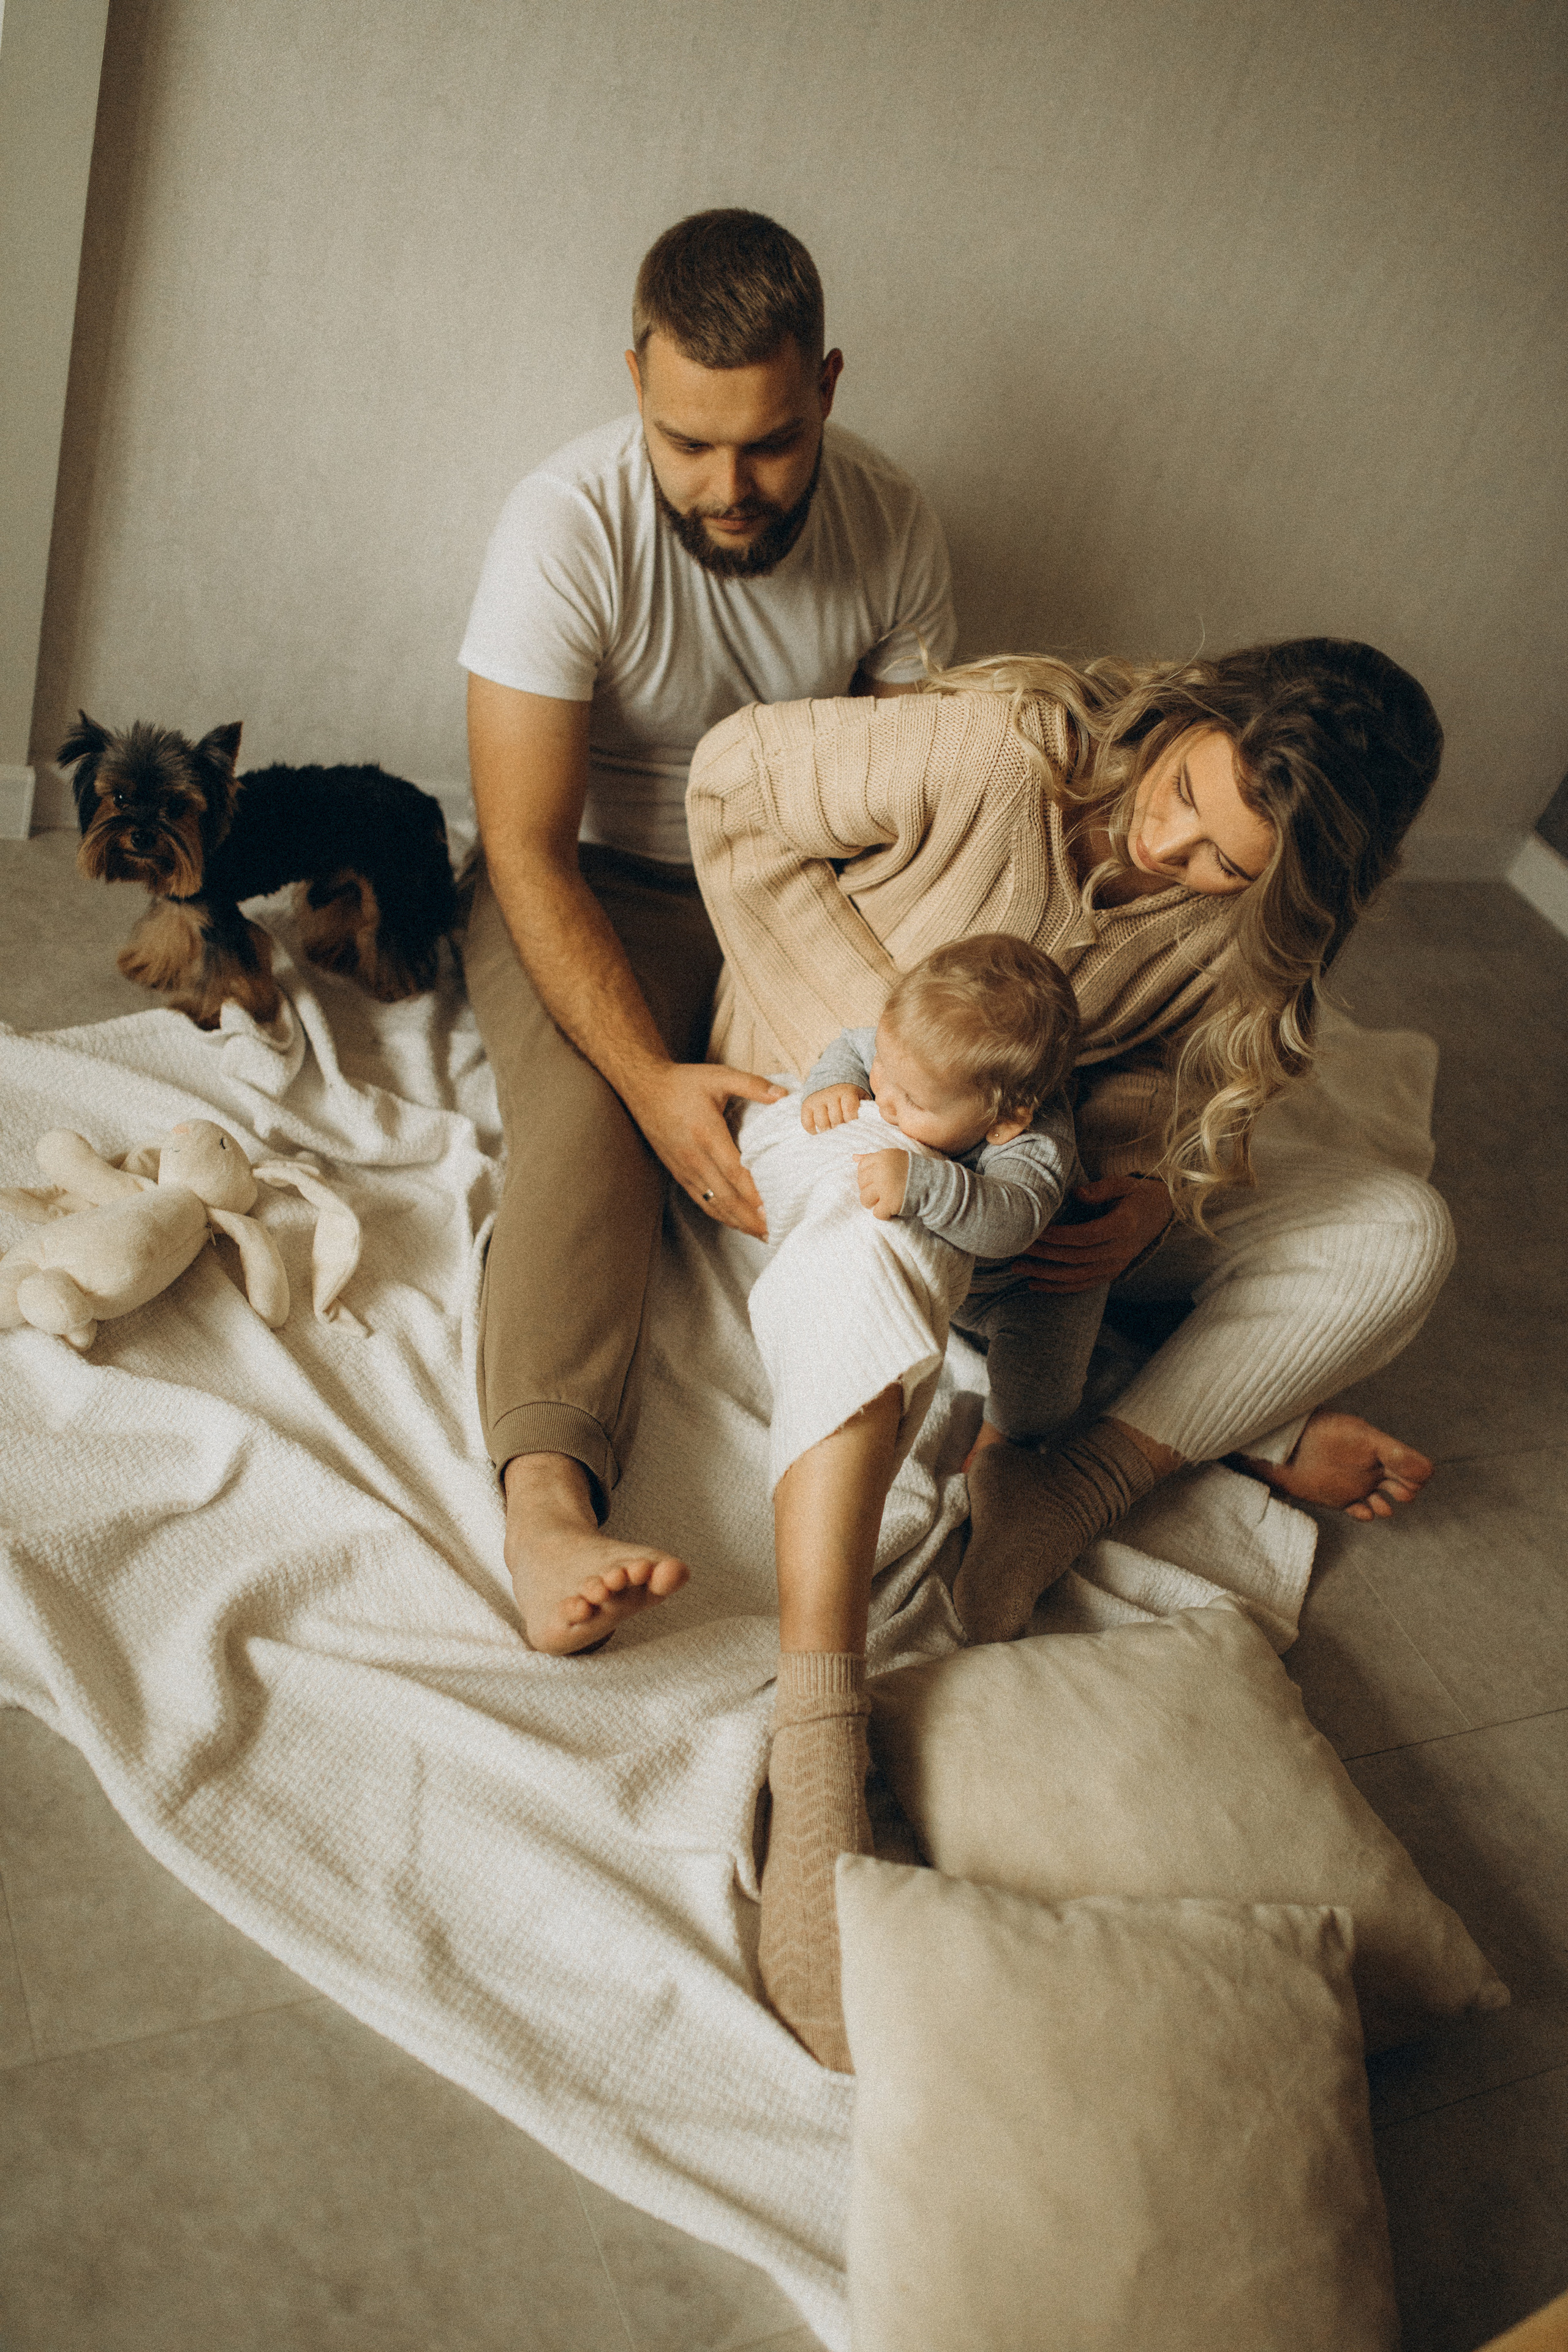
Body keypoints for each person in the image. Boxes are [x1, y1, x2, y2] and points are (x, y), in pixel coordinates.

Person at [686, 636, 1453, 2067]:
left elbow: (1195, 1065)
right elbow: (731, 782)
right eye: (1179, 796)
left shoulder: (1252, 915)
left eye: (1223, 862)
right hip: (857, 1117)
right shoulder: (996, 756)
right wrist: (904, 1068)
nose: (1169, 851)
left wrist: (1143, 1175)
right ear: (1191, 713)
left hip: (1042, 1177)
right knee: (883, 1244)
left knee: (1399, 1233)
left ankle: (1061, 1482)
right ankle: (819, 1732)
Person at [457, 209, 956, 1652]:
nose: (729, 488)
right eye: (687, 443)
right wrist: (644, 1078)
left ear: (827, 387)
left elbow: (907, 805)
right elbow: (523, 846)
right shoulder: (564, 522)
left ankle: (1132, 1400)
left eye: (771, 443)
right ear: (634, 381)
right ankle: (548, 1510)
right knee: (588, 1127)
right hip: (589, 878)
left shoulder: (894, 523)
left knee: (946, 1106)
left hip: (796, 887)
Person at [797, 933, 1106, 1454]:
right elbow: (850, 1046)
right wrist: (835, 1082)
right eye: (882, 1069)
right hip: (948, 1277)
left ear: (1005, 1121)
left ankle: (1005, 1440)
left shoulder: (1039, 1145)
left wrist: (922, 1184)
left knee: (1037, 1391)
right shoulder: (912, 1055)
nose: (884, 1099)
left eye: (913, 1101)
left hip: (1028, 1289)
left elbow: (1013, 1224)